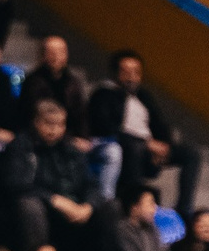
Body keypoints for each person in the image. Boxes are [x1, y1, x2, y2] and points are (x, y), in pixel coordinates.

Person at [85, 50, 202, 213]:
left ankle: (184, 209)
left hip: (148, 148)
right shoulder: (103, 94)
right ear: (116, 73)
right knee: (136, 148)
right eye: (126, 72)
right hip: (123, 146)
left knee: (191, 153)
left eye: (136, 72)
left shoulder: (144, 96)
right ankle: (134, 203)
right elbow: (105, 127)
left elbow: (160, 124)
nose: (132, 77)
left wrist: (164, 146)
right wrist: (146, 144)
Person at [0, 100, 98, 251]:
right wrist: (55, 200)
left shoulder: (71, 149)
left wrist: (88, 207)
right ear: (36, 122)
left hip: (75, 208)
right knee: (30, 206)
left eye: (60, 125)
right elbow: (15, 184)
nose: (54, 130)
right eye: (49, 124)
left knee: (110, 209)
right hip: (41, 207)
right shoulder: (21, 146)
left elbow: (92, 184)